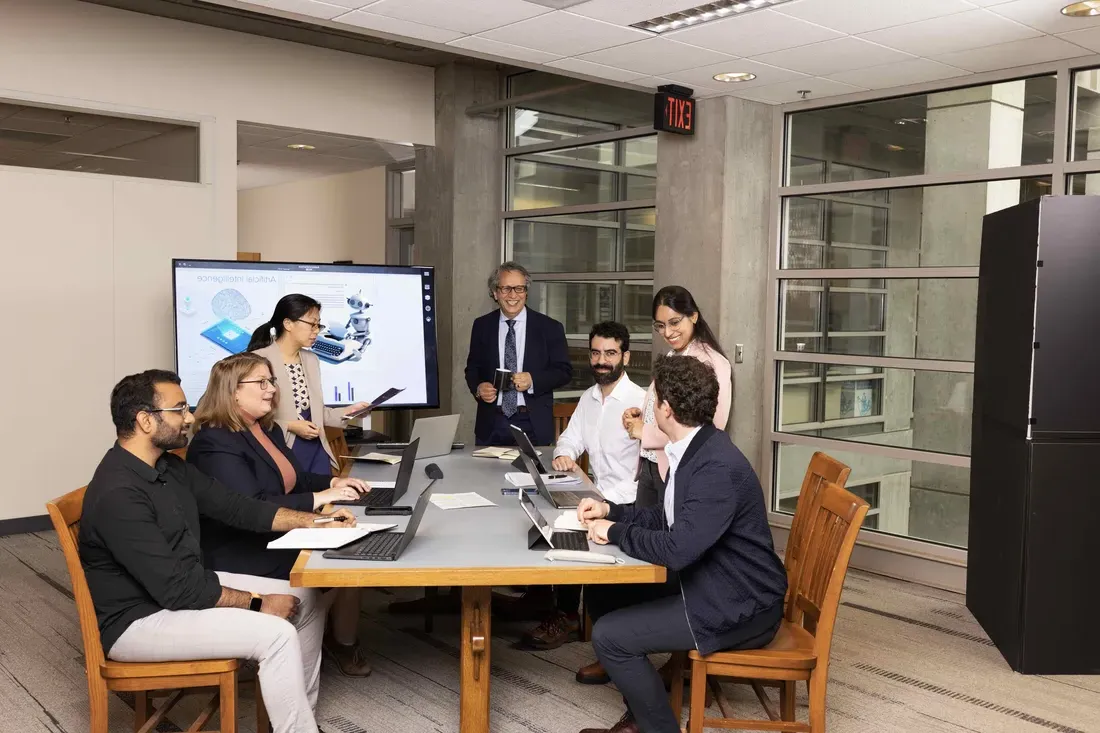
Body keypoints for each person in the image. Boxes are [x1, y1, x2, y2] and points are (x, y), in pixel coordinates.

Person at [79, 370, 357, 733]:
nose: (190, 417)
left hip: (181, 588)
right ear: (145, 421)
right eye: (179, 409)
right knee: (276, 633)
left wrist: (316, 522)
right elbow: (176, 589)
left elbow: (237, 507)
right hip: (140, 621)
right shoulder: (119, 493)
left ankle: (294, 721)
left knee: (305, 598)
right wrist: (260, 602)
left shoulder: (168, 467)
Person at [575, 356, 787, 733]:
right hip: (710, 578)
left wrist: (614, 533)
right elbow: (666, 518)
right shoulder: (692, 448)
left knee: (610, 637)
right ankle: (644, 713)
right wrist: (612, 512)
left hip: (739, 603)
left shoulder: (714, 467)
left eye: (653, 400)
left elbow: (676, 549)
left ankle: (659, 727)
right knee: (604, 593)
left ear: (666, 410)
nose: (649, 407)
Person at [187, 352, 374, 676]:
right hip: (240, 548)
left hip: (276, 533)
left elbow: (295, 479)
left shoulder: (265, 429)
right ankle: (298, 686)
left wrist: (333, 481)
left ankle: (337, 644)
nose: (272, 388)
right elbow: (252, 505)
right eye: (261, 382)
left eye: (271, 381)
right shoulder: (213, 442)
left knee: (351, 551)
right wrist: (321, 497)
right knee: (332, 565)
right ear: (232, 391)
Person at [518, 321, 646, 651]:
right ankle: (551, 602)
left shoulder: (641, 403)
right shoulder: (588, 399)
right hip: (597, 494)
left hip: (629, 503)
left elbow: (647, 470)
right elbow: (570, 439)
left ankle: (567, 615)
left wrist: (600, 502)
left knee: (569, 525)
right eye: (596, 353)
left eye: (611, 353)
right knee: (542, 514)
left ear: (626, 358)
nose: (602, 360)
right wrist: (564, 456)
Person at [626, 286, 732, 509]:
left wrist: (644, 432)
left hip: (677, 468)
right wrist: (642, 414)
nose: (667, 332)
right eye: (660, 326)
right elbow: (670, 407)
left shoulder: (711, 362)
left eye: (674, 323)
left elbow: (707, 429)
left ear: (693, 316)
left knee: (662, 538)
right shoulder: (674, 354)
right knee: (642, 533)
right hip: (651, 463)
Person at [247, 293, 371, 475]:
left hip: (316, 447)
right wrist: (289, 425)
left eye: (318, 325)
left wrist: (350, 411)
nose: (317, 330)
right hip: (280, 448)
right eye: (312, 324)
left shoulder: (311, 359)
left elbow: (316, 413)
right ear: (288, 324)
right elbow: (245, 419)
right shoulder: (258, 360)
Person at [465, 261, 572, 446]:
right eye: (506, 288)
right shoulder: (482, 326)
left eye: (519, 288)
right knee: (485, 475)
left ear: (526, 292)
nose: (513, 295)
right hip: (492, 423)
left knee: (531, 476)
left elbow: (564, 372)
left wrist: (532, 380)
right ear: (495, 293)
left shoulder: (550, 327)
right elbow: (472, 368)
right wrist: (478, 388)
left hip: (533, 423)